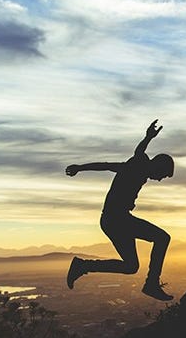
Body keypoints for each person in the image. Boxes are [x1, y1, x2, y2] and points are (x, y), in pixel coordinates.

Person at [65, 119, 175, 301]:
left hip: (115, 221)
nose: (161, 179)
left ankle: (82, 266)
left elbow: (125, 158)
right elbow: (115, 163)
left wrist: (148, 137)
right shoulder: (138, 165)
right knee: (162, 238)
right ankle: (151, 284)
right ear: (158, 166)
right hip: (116, 220)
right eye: (162, 175)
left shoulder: (140, 167)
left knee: (131, 266)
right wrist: (80, 168)